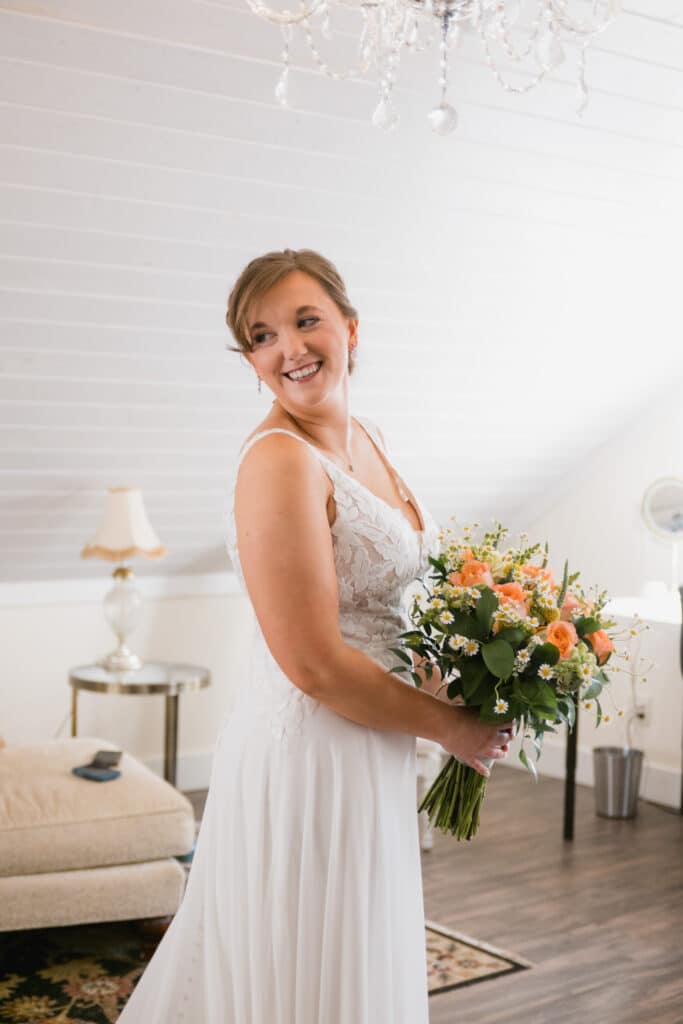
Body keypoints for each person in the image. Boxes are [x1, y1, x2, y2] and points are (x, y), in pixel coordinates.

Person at [117, 249, 513, 1024]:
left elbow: (389, 602)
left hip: (376, 739)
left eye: (305, 322)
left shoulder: (366, 433)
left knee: (351, 954)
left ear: (350, 329)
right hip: (312, 753)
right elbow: (311, 661)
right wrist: (455, 729)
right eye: (261, 336)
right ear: (251, 361)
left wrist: (457, 670)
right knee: (300, 962)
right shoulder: (276, 463)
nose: (288, 349)